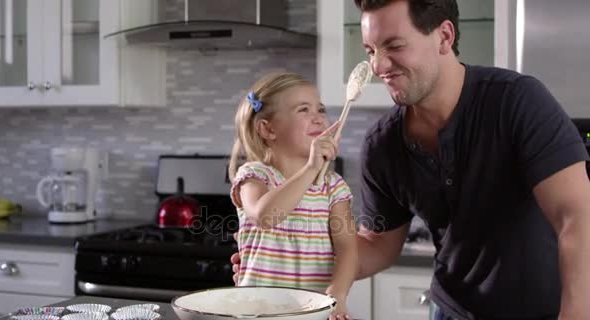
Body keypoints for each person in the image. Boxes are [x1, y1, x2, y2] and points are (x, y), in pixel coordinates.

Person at [232, 1, 590, 319]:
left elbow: (577, 216)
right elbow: (377, 247)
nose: (378, 64)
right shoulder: (383, 144)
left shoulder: (517, 102)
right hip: (451, 311)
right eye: (370, 49)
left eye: (394, 46)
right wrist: (277, 259)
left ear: (444, 37)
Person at [228, 72, 358, 319]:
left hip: (313, 312)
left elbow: (348, 249)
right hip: (256, 311)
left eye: (320, 109)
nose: (318, 118)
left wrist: (338, 292)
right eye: (303, 110)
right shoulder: (255, 176)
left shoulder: (333, 187)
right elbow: (265, 216)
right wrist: (310, 169)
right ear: (268, 129)